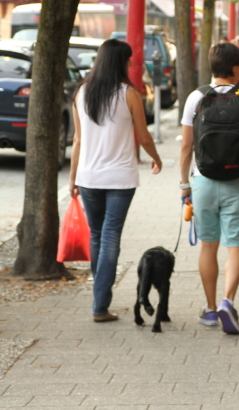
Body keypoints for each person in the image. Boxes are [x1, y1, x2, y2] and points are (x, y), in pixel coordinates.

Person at [69, 39, 162, 322]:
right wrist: (157, 158)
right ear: (120, 62)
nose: (132, 64)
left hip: (88, 177)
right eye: (129, 60)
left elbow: (77, 140)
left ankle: (100, 298)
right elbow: (144, 136)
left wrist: (72, 179)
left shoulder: (82, 93)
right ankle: (100, 305)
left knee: (98, 235)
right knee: (109, 236)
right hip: (120, 178)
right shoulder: (128, 94)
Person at [179, 42, 239, 335]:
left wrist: (184, 185)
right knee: (235, 246)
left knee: (208, 246)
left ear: (212, 66)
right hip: (237, 184)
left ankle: (211, 309)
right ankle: (229, 301)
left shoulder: (196, 98)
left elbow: (187, 146)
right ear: (237, 68)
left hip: (202, 182)